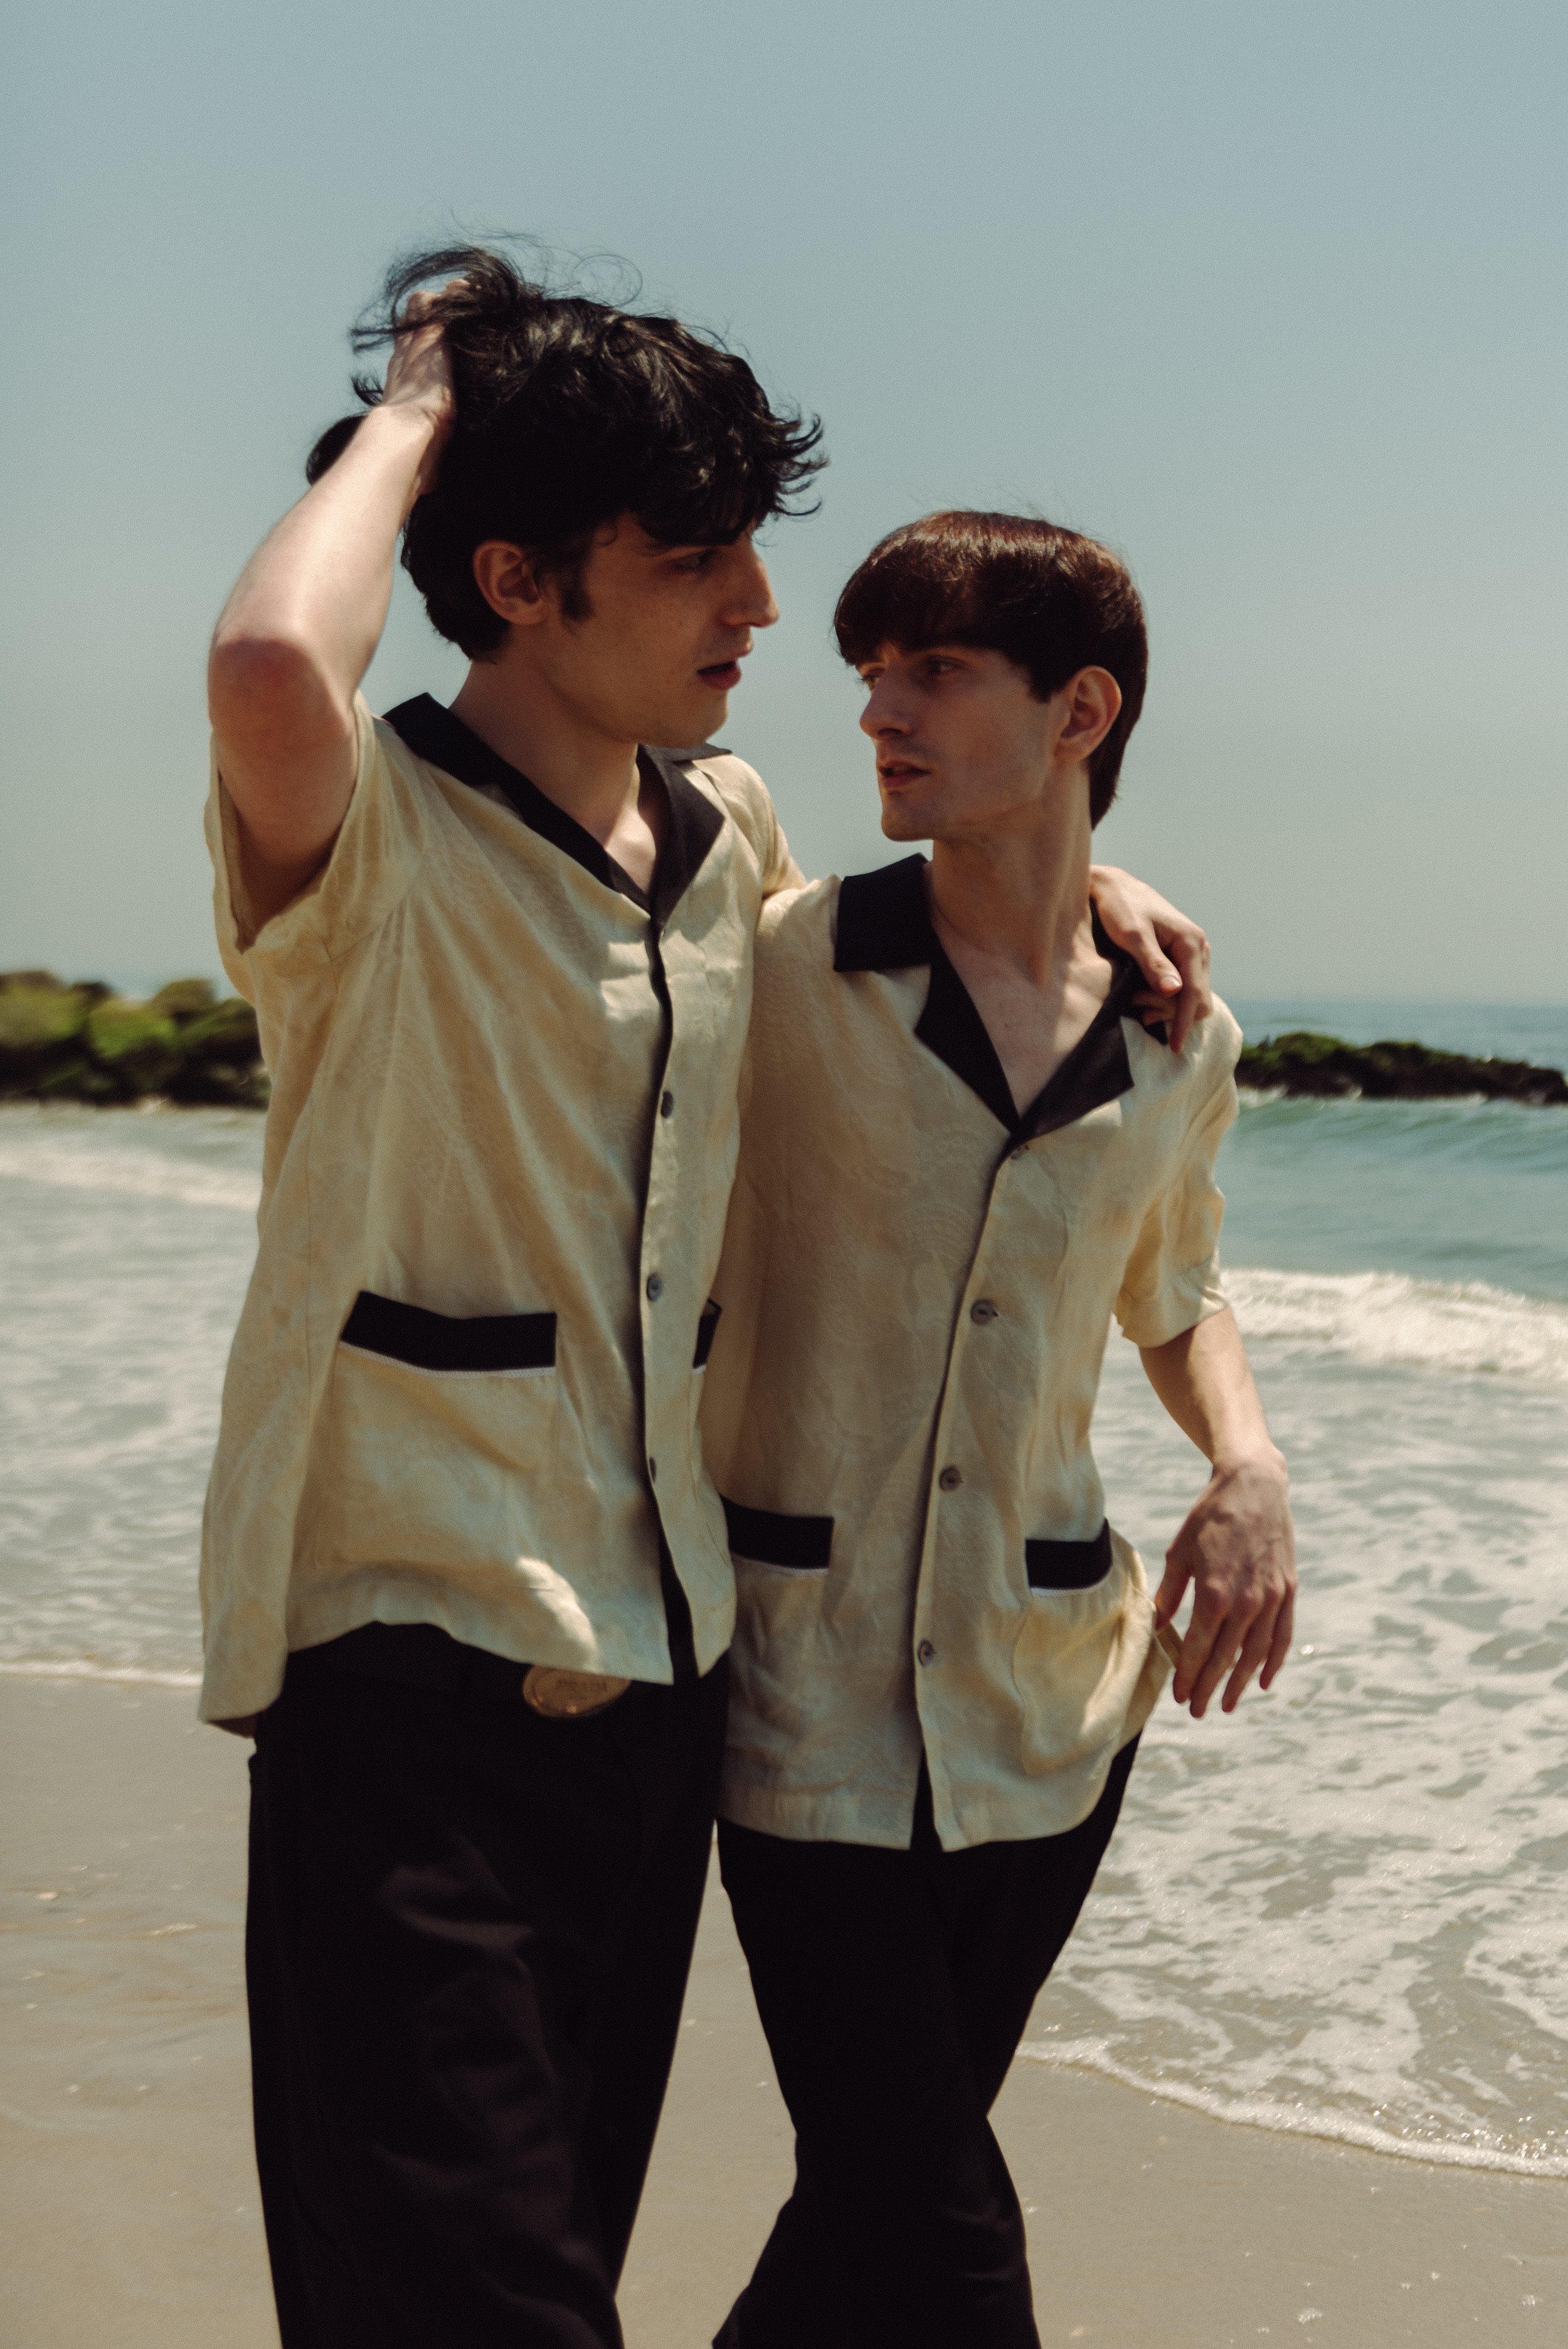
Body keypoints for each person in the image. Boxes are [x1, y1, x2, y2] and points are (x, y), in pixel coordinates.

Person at [201, 245, 1212, 2349]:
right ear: (518, 577)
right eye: (696, 558)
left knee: (552, 2258)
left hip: (662, 1686)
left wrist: (1074, 858)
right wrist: (420, 400)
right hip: (404, 1677)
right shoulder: (363, 826)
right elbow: (273, 670)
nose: (761, 607)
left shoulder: (722, 829)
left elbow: (900, 958)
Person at [701, 511, 1298, 2349]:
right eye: (867, 675)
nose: (877, 709)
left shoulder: (1177, 1033)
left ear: (1078, 707)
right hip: (803, 1695)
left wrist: (1248, 1464)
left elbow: (1172, 1283)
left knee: (871, 2204)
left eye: (934, 672)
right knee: (939, 2228)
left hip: (1052, 1703)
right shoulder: (780, 960)